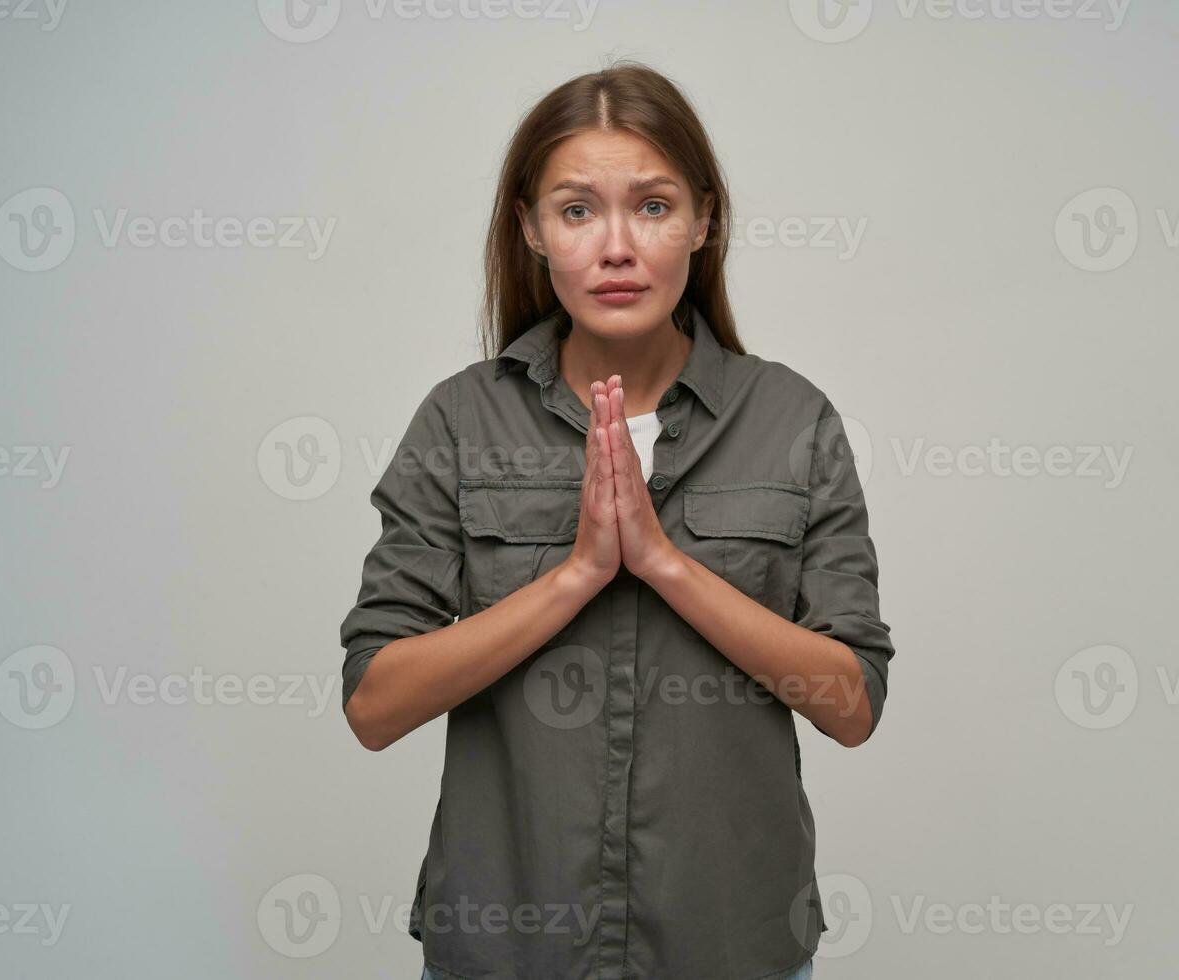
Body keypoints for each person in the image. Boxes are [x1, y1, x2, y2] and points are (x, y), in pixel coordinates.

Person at [341, 59, 895, 980]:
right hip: (508, 953)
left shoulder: (792, 420)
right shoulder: (458, 422)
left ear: (703, 219)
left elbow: (854, 704)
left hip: (732, 947)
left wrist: (666, 563)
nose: (616, 247)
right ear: (530, 230)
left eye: (652, 205)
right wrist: (579, 574)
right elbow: (374, 703)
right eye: (575, 210)